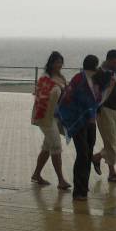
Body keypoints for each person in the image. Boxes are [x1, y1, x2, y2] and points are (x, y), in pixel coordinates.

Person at [56, 55, 116, 201]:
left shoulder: (97, 79)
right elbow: (68, 98)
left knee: (88, 154)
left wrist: (109, 83)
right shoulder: (79, 78)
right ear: (94, 66)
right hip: (79, 123)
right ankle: (78, 190)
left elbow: (108, 83)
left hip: (91, 122)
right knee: (82, 153)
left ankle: (83, 187)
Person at [31, 51, 70, 190]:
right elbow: (41, 97)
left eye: (60, 62)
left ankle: (36, 174)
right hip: (45, 117)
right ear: (51, 63)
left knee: (47, 147)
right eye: (56, 62)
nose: (58, 65)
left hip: (57, 117)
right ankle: (61, 180)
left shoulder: (61, 77)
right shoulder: (45, 78)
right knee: (56, 146)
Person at [92, 49, 116, 183]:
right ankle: (112, 173)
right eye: (114, 62)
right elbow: (96, 93)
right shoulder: (99, 74)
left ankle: (97, 157)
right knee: (111, 142)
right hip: (105, 110)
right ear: (108, 60)